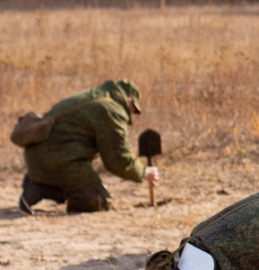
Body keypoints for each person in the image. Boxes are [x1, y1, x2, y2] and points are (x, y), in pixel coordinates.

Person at [17, 80, 155, 214]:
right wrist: (143, 172)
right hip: (57, 160)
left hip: (37, 158)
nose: (132, 113)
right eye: (133, 109)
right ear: (129, 100)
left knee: (93, 189)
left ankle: (38, 182)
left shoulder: (95, 96)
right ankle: (40, 188)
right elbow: (118, 159)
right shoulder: (112, 110)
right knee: (99, 201)